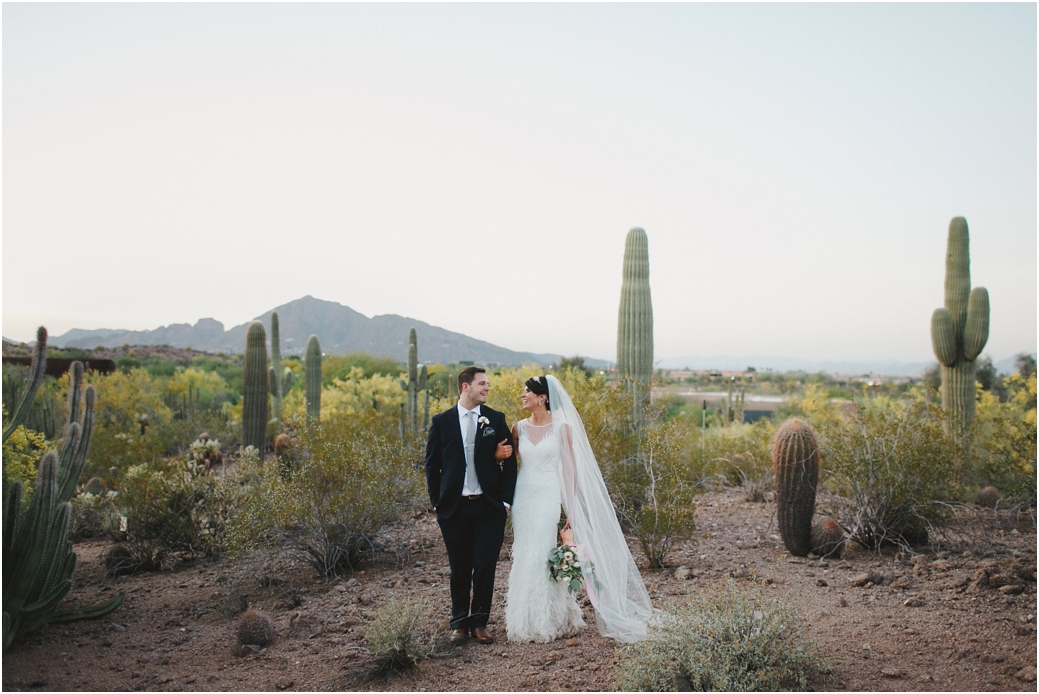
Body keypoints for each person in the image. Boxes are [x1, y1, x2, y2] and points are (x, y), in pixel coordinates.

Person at [505, 374, 652, 643]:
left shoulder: (562, 429)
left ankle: (550, 617)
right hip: (523, 497)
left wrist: (571, 510)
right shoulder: (517, 428)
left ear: (542, 397)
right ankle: (522, 618)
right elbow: (509, 466)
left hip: (549, 496)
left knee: (543, 551)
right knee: (525, 552)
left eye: (527, 391)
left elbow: (569, 471)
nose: (522, 395)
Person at [425, 366, 517, 645]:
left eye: (488, 384)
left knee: (485, 565)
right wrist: (437, 504)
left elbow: (510, 461)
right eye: (482, 383)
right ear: (466, 387)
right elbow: (432, 465)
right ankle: (459, 623)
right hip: (454, 508)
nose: (487, 388)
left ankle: (479, 622)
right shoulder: (442, 421)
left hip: (489, 507)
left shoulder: (495, 419)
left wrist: (504, 500)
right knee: (460, 567)